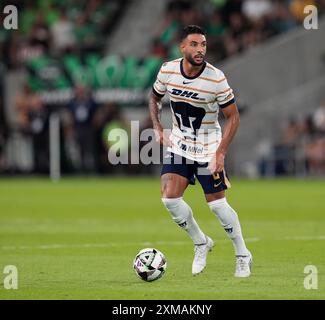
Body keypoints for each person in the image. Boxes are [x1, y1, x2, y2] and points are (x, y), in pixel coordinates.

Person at [149, 25, 252, 277]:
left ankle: (242, 254)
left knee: (217, 206)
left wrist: (220, 153)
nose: (200, 49)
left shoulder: (216, 78)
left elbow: (234, 117)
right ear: (182, 47)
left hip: (208, 148)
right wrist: (158, 127)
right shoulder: (167, 70)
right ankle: (201, 242)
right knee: (169, 198)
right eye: (194, 44)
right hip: (180, 145)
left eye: (203, 44)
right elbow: (154, 98)